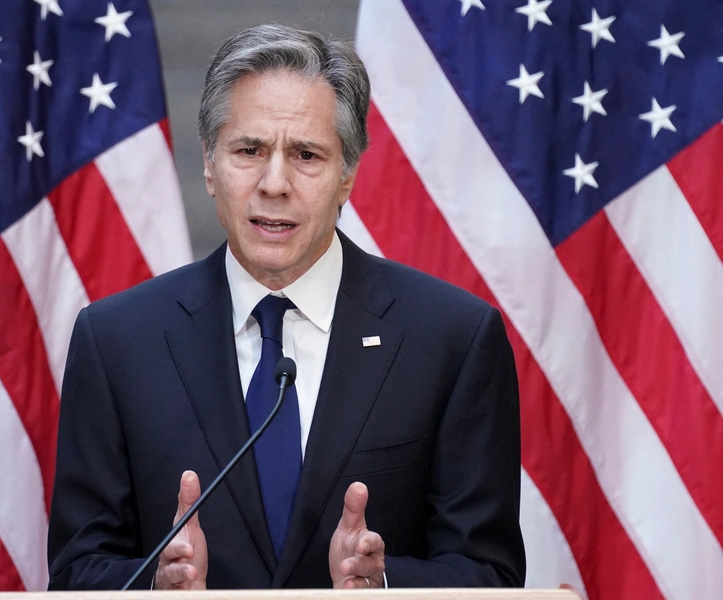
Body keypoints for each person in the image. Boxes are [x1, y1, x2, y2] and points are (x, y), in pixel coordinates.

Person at [47, 24, 525, 590]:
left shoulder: (451, 339)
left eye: (306, 155)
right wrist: (156, 585)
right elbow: (78, 572)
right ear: (209, 164)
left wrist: (384, 583)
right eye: (248, 151)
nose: (274, 183)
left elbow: (489, 573)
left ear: (347, 175)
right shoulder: (118, 341)